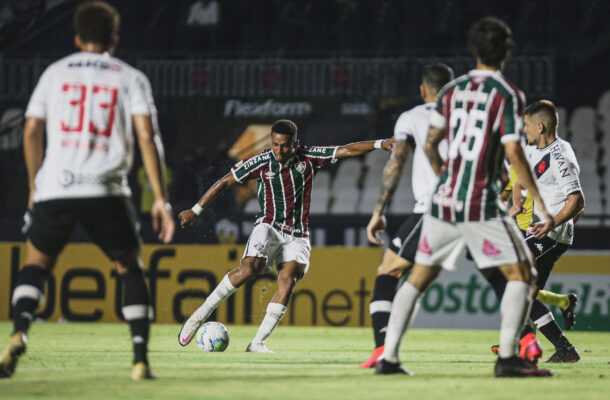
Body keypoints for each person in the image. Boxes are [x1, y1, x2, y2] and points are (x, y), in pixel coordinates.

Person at [0, 1, 175, 380]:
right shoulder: (130, 77)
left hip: (55, 188)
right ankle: (140, 360)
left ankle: (19, 333)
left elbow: (30, 131)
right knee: (130, 269)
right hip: (107, 189)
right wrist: (159, 197)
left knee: (35, 266)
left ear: (77, 37)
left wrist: (33, 185)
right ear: (114, 38)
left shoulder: (54, 73)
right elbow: (147, 135)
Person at [375, 17, 554, 377]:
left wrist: (448, 176)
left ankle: (389, 359)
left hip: (443, 201)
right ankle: (507, 358)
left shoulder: (452, 90)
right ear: (506, 51)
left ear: (474, 50)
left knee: (417, 278)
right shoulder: (506, 94)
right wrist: (541, 204)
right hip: (480, 202)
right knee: (523, 272)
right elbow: (514, 153)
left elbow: (429, 144)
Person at [178, 119, 393, 351]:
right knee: (251, 268)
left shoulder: (308, 157)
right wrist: (195, 209)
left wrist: (381, 143)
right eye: (275, 145)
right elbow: (225, 182)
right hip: (268, 226)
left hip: (298, 235)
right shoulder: (261, 161)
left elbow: (346, 149)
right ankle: (200, 315)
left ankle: (258, 343)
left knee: (288, 279)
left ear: (295, 144)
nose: (279, 150)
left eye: (284, 146)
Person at [360, 63, 454, 368]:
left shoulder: (412, 117)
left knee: (389, 272)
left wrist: (378, 212)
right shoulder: (467, 115)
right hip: (474, 207)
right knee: (498, 273)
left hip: (434, 208)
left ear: (422, 89)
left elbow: (396, 162)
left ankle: (382, 350)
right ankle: (524, 341)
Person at [501, 100, 583, 362]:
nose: (524, 130)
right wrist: (516, 203)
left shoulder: (560, 157)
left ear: (540, 126)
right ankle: (563, 350)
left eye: (526, 125)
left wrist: (552, 223)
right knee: (526, 293)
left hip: (550, 234)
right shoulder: (534, 149)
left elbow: (577, 200)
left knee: (515, 285)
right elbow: (522, 181)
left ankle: (524, 346)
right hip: (540, 231)